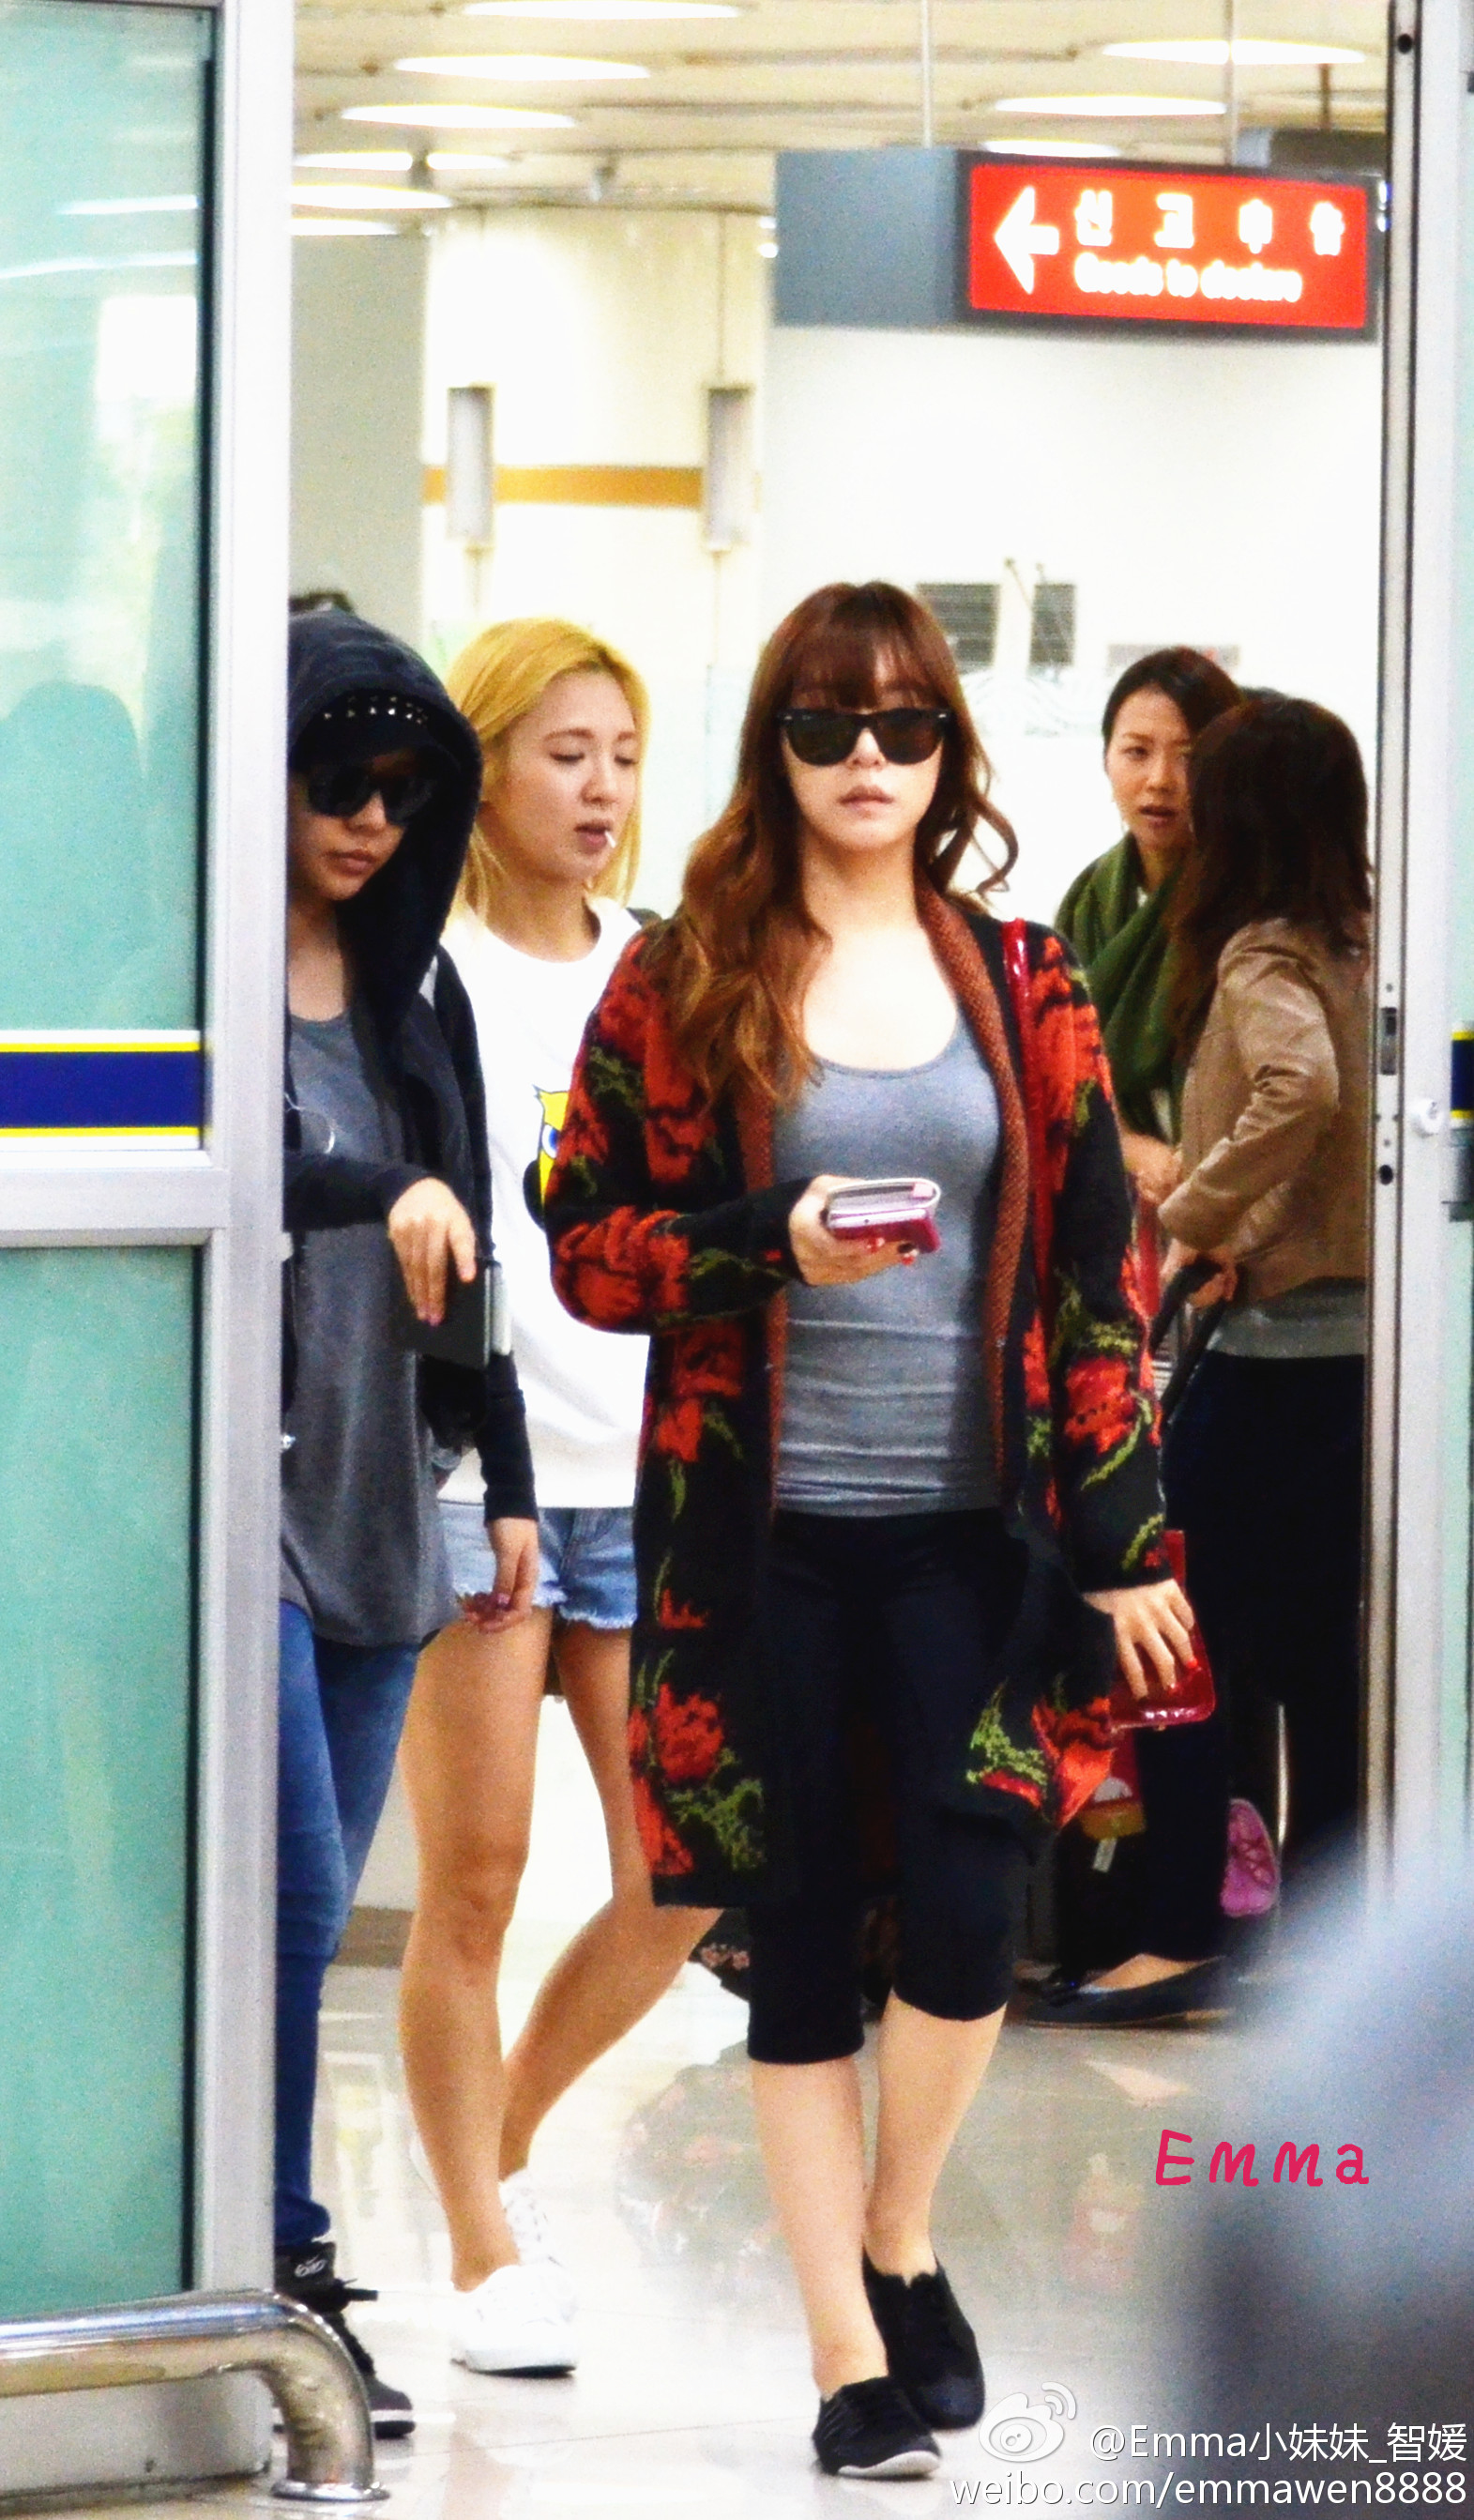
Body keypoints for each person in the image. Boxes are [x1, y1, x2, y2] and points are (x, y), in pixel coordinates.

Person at [544, 580, 1192, 2482]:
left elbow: (1097, 1269)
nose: (864, 758)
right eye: (825, 724)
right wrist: (768, 1243)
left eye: (902, 726)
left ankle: (898, 2234)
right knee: (804, 1935)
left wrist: (1128, 1536)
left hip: (969, 1535)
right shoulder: (684, 980)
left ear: (944, 755)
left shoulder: (1022, 976)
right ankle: (844, 2358)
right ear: (776, 749)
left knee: (976, 1904)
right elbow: (585, 1246)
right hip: (757, 1547)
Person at [397, 619, 718, 2381]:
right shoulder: (422, 972)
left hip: (651, 1478)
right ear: (486, 765)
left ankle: (496, 2148)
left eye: (622, 756)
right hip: (481, 1481)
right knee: (477, 1881)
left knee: (682, 1867)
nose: (599, 790)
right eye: (563, 753)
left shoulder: (666, 968)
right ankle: (477, 2251)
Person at [276, 608, 539, 2436]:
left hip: (385, 1498)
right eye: (335, 782)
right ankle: (280, 2260)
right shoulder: (191, 976)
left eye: (400, 789)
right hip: (240, 1509)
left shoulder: (410, 989)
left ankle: (263, 2255)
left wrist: (502, 1474)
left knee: (304, 1920)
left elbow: (472, 1239)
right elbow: (266, 1174)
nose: (370, 819)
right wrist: (385, 1184)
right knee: (293, 1896)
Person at [1037, 695, 1373, 2024]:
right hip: (1360, 1367)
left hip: (1271, 1358)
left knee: (1175, 1649)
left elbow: (1300, 1090)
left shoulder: (1259, 950)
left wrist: (1195, 1214)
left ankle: (1181, 1934)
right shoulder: (1369, 940)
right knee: (1327, 1677)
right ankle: (1321, 1961)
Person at [1056, 649, 1240, 1245]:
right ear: (1106, 758)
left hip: (1235, 1213)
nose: (1160, 780)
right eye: (1136, 752)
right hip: (1117, 1212)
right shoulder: (1086, 903)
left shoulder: (1253, 900)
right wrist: (1136, 1151)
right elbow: (1063, 1078)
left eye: (1189, 757)